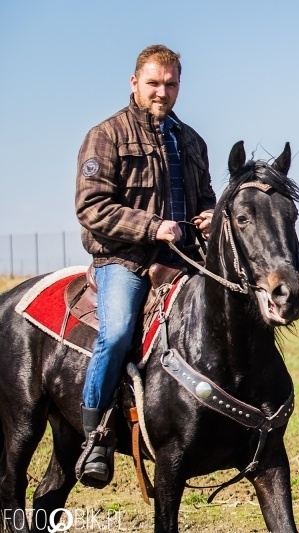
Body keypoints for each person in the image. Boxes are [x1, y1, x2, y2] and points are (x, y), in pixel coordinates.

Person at [75, 44, 216, 482]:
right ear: (134, 83)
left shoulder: (192, 140)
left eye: (170, 84)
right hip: (125, 259)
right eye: (153, 83)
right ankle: (96, 437)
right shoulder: (106, 135)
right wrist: (152, 227)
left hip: (186, 258)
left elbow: (206, 197)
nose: (162, 91)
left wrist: (212, 216)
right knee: (116, 333)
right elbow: (92, 206)